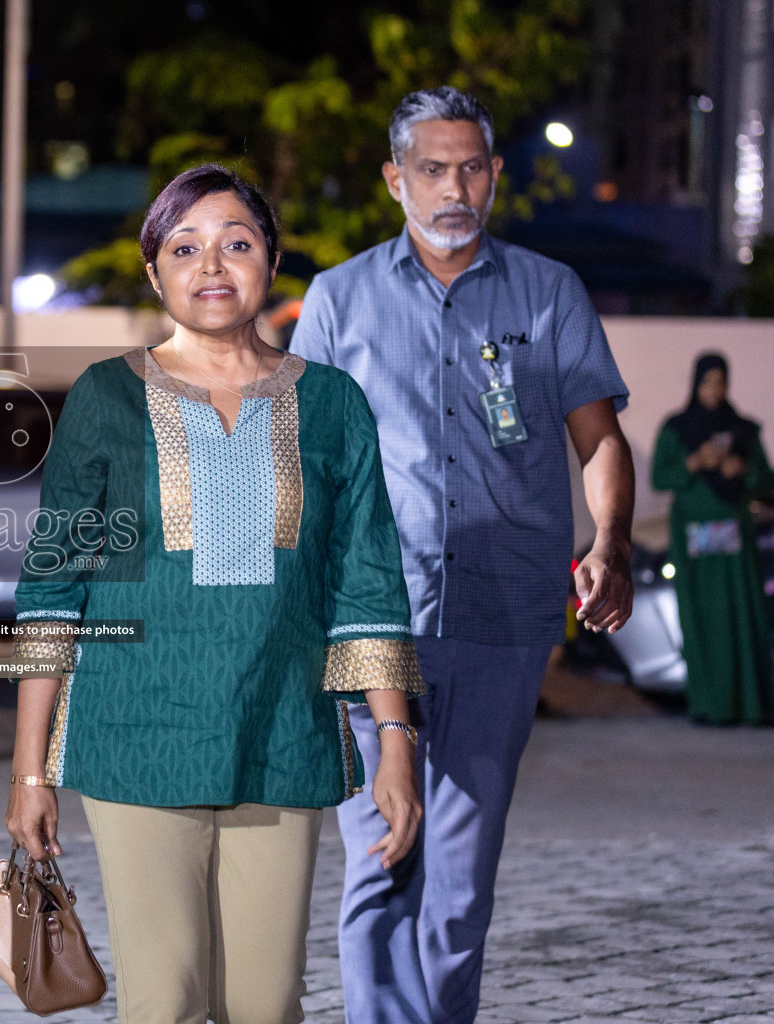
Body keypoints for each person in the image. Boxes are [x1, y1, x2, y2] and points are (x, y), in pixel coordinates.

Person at [6, 164, 425, 1024]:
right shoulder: (106, 400)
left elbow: (368, 580)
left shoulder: (333, 404)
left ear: (270, 260)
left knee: (266, 1006)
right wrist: (29, 768)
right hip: (137, 735)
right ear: (153, 270)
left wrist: (394, 738)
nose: (212, 265)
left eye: (236, 243)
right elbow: (53, 588)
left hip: (281, 731)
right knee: (166, 999)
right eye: (186, 247)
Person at [290, 86, 636, 1024]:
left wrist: (609, 541)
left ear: (495, 176)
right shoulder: (338, 298)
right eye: (434, 169)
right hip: (371, 612)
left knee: (458, 886)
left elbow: (597, 439)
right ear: (395, 178)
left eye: (473, 167)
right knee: (378, 859)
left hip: (504, 610)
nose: (456, 187)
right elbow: (302, 465)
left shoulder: (547, 291)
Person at [651, 353, 773, 725]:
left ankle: (748, 707)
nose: (714, 390)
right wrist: (694, 463)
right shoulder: (676, 428)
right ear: (695, 383)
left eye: (720, 382)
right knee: (701, 621)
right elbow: (659, 477)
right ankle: (708, 705)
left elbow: (765, 481)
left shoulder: (743, 430)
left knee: (742, 617)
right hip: (694, 540)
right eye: (707, 382)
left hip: (734, 540)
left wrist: (742, 469)